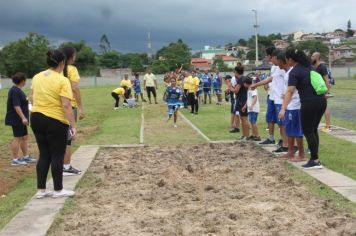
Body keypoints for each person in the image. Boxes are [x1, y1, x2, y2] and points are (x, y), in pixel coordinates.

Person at [30, 50, 76, 198]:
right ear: (62, 63)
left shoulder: (37, 77)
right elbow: (66, 105)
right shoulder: (62, 80)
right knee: (57, 154)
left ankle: (41, 190)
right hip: (54, 120)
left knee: (44, 154)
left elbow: (31, 98)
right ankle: (58, 190)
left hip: (36, 118)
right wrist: (73, 125)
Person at [278, 48, 326, 169]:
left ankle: (314, 160)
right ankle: (315, 158)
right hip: (321, 101)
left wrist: (283, 109)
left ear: (289, 59)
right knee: (313, 130)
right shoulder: (311, 68)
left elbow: (289, 91)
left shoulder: (295, 72)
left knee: (308, 131)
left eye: (286, 59)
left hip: (309, 103)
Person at [251, 48, 288, 153]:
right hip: (274, 98)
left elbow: (287, 83)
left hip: (281, 99)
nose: (266, 58)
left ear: (272, 57)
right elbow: (270, 79)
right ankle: (282, 142)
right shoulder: (275, 68)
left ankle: (286, 144)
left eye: (267, 56)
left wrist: (256, 84)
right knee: (275, 121)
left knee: (283, 124)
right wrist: (259, 85)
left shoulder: (283, 68)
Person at [277, 52, 305, 161]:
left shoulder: (292, 73)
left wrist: (283, 107)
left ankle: (301, 154)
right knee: (289, 129)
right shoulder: (287, 73)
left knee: (297, 131)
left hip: (296, 105)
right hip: (289, 105)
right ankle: (290, 152)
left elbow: (292, 90)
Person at [61, 46, 85, 176]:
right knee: (68, 137)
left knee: (60, 137)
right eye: (74, 55)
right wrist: (81, 108)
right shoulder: (72, 69)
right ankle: (66, 166)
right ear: (70, 56)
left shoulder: (57, 70)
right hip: (70, 106)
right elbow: (75, 89)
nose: (75, 58)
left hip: (57, 107)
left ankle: (61, 165)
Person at [5, 72, 36, 166]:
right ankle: (15, 159)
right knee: (17, 138)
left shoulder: (18, 90)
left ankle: (26, 156)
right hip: (17, 119)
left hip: (22, 119)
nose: (25, 82)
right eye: (25, 80)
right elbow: (16, 106)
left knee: (24, 137)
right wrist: (23, 118)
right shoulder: (14, 91)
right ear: (22, 81)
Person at [311, 52, 332, 133]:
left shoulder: (322, 67)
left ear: (317, 57)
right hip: (315, 91)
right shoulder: (313, 67)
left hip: (322, 90)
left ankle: (328, 126)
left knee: (325, 107)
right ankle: (315, 125)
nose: (311, 58)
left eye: (313, 56)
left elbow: (327, 79)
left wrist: (327, 92)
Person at [231, 65, 249, 139]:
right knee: (242, 119)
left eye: (234, 71)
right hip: (241, 100)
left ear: (236, 72)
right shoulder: (243, 78)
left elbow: (236, 91)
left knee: (244, 119)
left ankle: (246, 135)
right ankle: (244, 135)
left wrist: (230, 87)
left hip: (242, 100)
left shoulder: (241, 79)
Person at [243, 76, 261, 141]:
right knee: (251, 121)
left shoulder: (253, 89)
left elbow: (255, 97)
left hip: (253, 109)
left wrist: (252, 106)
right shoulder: (249, 89)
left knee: (253, 122)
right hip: (250, 109)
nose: (243, 84)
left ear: (246, 83)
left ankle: (257, 136)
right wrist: (245, 106)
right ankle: (254, 135)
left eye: (244, 83)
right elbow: (248, 99)